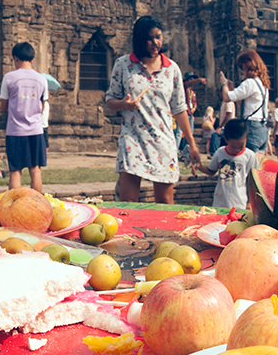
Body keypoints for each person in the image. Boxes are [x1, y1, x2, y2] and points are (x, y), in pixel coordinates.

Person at [105, 15, 201, 204]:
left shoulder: (171, 69)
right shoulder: (124, 64)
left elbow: (180, 108)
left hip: (163, 139)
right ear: (140, 40)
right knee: (128, 202)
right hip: (133, 138)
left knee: (165, 202)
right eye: (150, 38)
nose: (155, 43)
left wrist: (192, 144)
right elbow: (110, 100)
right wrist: (124, 104)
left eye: (158, 37)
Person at [0, 42, 49, 192]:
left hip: (15, 131)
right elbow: (42, 107)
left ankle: (15, 205)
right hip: (36, 130)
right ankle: (36, 205)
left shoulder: (9, 78)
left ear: (15, 58)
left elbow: (3, 107)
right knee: (35, 170)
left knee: (15, 171)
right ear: (32, 59)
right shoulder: (42, 79)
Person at [191, 119, 259, 209]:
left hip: (240, 204)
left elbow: (254, 181)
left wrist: (251, 202)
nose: (236, 149)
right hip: (220, 203)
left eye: (241, 146)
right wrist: (199, 167)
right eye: (233, 146)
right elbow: (211, 171)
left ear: (246, 138)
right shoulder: (220, 152)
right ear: (226, 139)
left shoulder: (250, 156)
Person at [226, 49, 270, 154]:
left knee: (248, 163)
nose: (242, 71)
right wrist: (232, 89)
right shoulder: (262, 84)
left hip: (251, 126)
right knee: (257, 166)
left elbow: (227, 97)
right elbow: (244, 105)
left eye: (242, 67)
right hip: (262, 128)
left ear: (246, 66)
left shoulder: (249, 82)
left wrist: (223, 84)